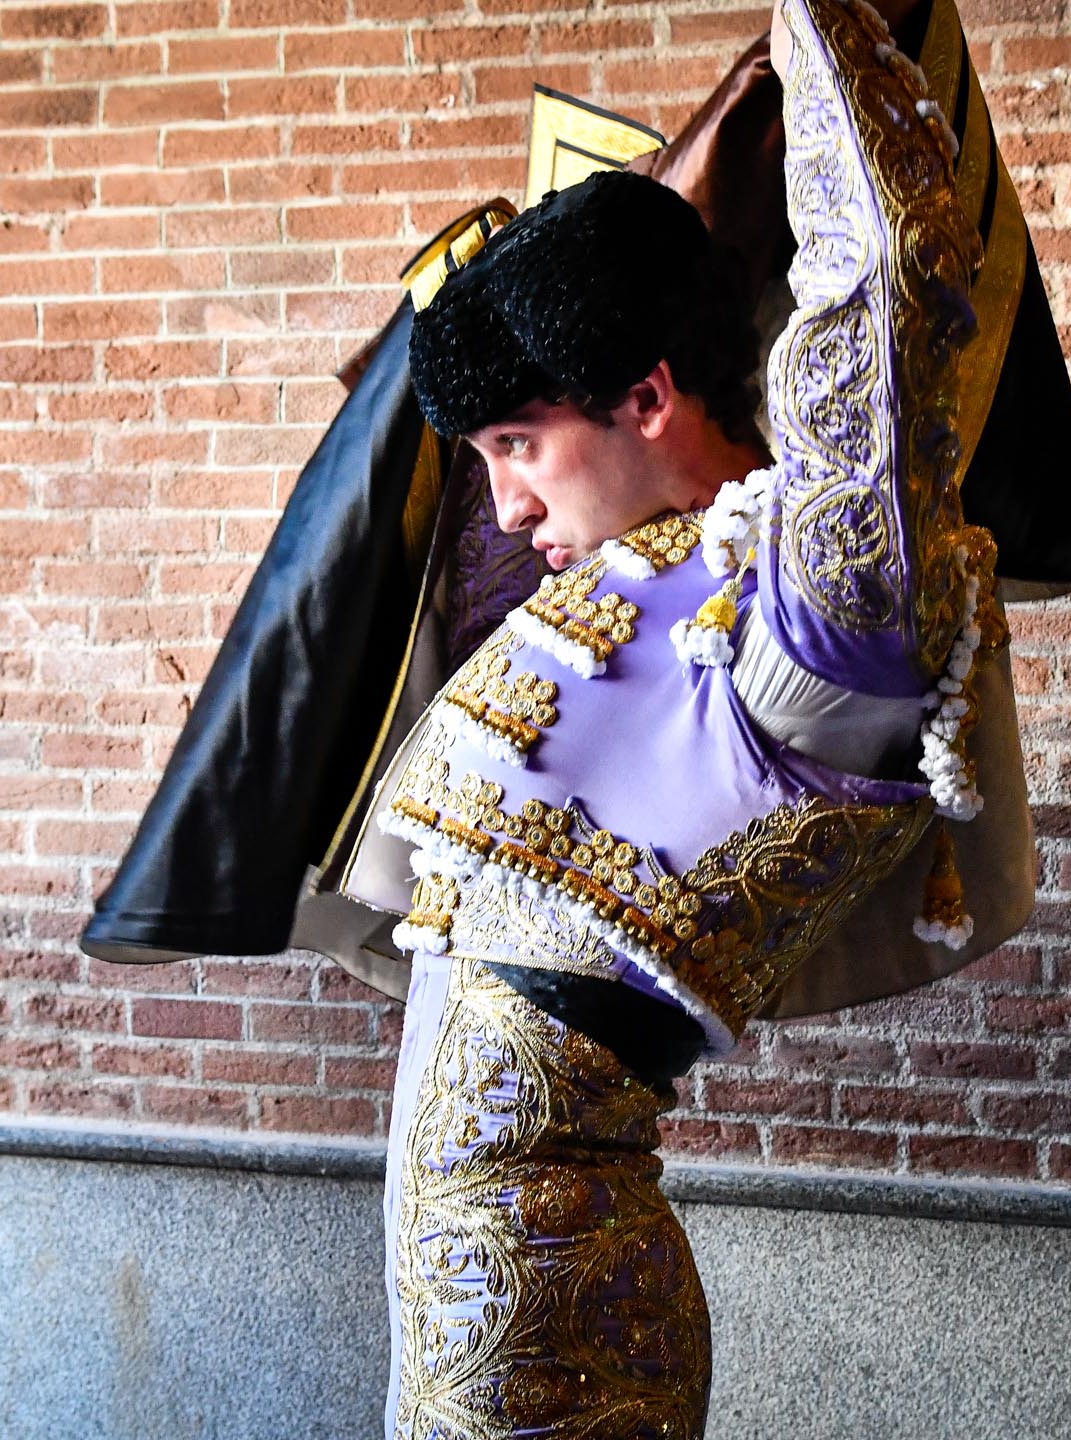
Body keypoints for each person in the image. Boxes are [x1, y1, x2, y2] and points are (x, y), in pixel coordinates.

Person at [361, 0, 1008, 1430]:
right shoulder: (640, 581)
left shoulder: (810, 619)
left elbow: (886, 292)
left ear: (649, 397)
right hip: (472, 1288)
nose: (503, 505)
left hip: (553, 1302)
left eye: (520, 444)